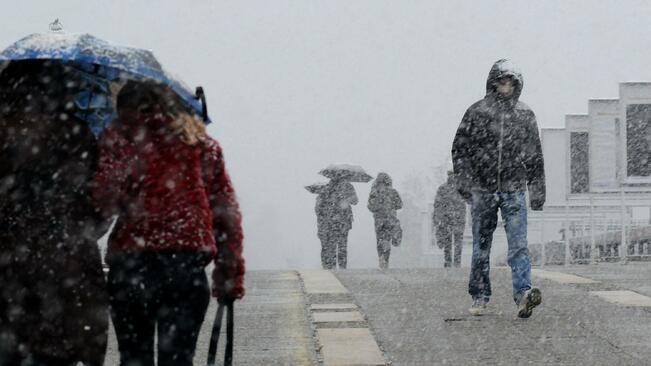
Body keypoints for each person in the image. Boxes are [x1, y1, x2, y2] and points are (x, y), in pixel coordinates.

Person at [93, 81, 245, 366]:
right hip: (185, 270)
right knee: (178, 359)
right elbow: (226, 214)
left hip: (130, 270)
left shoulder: (118, 140)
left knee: (134, 357)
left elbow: (103, 202)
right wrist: (229, 276)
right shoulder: (202, 145)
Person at [0, 60, 110, 366]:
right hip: (67, 261)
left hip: (8, 262)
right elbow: (99, 202)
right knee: (58, 348)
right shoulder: (78, 134)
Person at [451, 59, 545, 318]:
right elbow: (460, 150)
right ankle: (480, 294)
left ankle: (523, 294)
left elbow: (534, 155)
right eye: (502, 81)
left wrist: (537, 189)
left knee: (518, 244)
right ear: (493, 83)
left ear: (517, 85)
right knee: (481, 245)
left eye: (511, 82)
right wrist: (464, 182)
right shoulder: (477, 112)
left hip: (514, 187)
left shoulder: (524, 115)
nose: (506, 87)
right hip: (483, 188)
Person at [315, 177, 358, 269]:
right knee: (341, 245)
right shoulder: (344, 187)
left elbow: (320, 209)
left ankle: (333, 266)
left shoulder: (330, 187)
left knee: (334, 245)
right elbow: (355, 201)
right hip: (341, 221)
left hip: (335, 222)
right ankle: (341, 266)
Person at [367, 172, 402, 269]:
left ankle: (381, 257)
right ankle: (385, 260)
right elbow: (400, 205)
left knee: (380, 240)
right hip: (390, 220)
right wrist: (391, 206)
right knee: (387, 240)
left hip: (379, 221)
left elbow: (370, 207)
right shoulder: (393, 192)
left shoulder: (374, 192)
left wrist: (378, 206)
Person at [433, 170, 466, 268]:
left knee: (449, 241)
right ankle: (456, 262)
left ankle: (448, 262)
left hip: (448, 219)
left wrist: (437, 217)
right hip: (457, 218)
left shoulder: (443, 188)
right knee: (457, 242)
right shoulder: (461, 188)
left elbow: (437, 204)